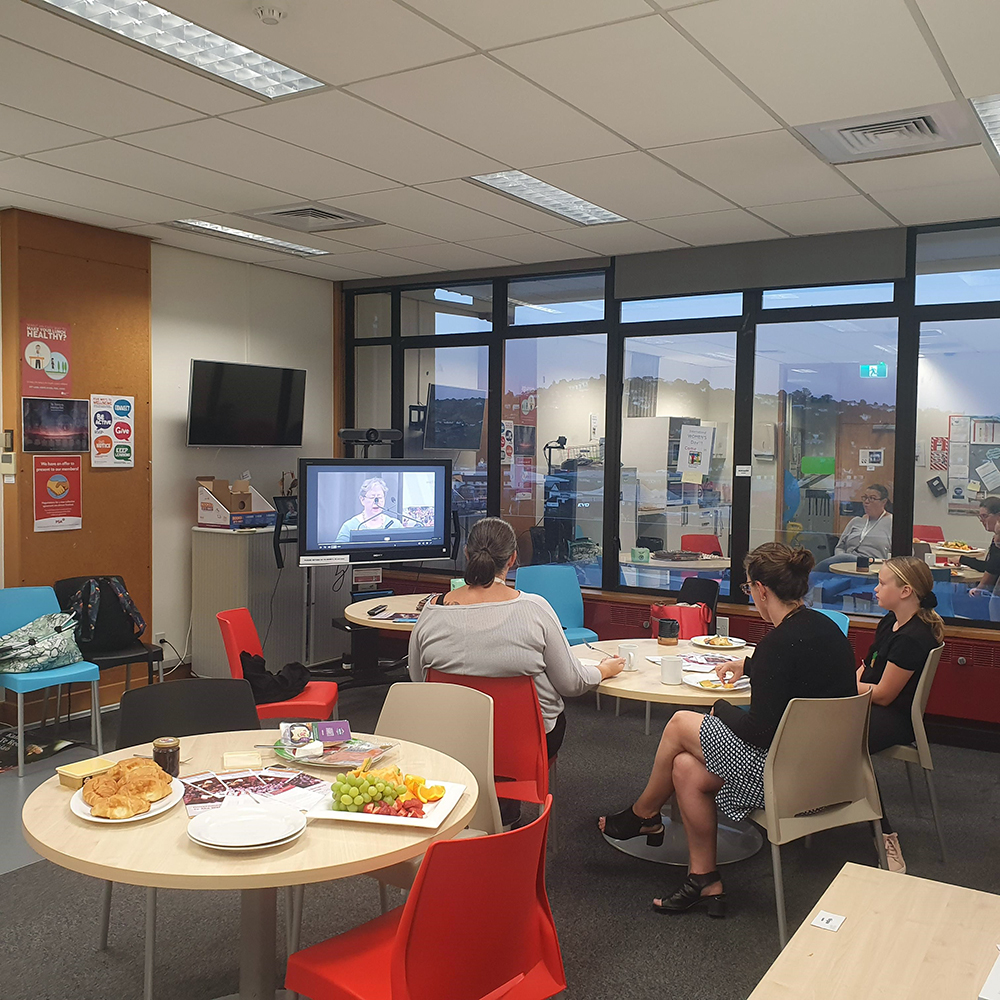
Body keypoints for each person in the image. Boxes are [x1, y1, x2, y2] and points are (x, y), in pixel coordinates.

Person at [598, 542, 855, 917]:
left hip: (781, 775)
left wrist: (721, 708)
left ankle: (645, 813)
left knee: (681, 722)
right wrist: (749, 667)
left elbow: (757, 730)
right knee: (685, 768)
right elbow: (803, 674)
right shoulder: (826, 629)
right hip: (827, 769)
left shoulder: (777, 645)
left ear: (762, 590)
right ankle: (705, 880)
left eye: (750, 589)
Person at [407, 517, 623, 763]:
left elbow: (418, 677)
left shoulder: (433, 610)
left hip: (452, 743)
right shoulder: (534, 609)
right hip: (525, 747)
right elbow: (571, 683)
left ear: (467, 554)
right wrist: (603, 670)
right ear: (512, 558)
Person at [858, 556, 945, 874]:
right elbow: (868, 668)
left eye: (882, 583)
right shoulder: (890, 621)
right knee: (823, 730)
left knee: (844, 743)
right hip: (872, 704)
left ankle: (885, 836)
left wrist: (843, 689)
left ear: (906, 590)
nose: (876, 588)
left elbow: (882, 694)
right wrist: (845, 688)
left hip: (894, 717)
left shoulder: (912, 637)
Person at [959, 496, 1000, 622]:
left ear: (998, 515)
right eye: (980, 517)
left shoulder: (998, 538)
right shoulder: (996, 537)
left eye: (985, 516)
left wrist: (979, 589)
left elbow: (993, 567)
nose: (981, 520)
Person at [335, 477, 400, 542]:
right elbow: (338, 550)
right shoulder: (350, 526)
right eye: (372, 497)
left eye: (380, 498)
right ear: (362, 500)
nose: (376, 502)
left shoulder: (394, 525)